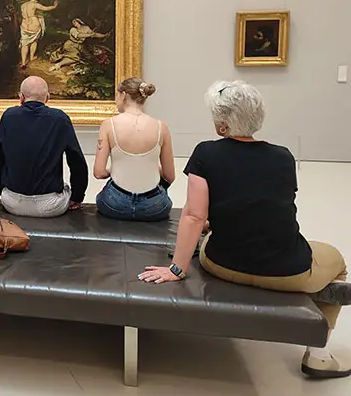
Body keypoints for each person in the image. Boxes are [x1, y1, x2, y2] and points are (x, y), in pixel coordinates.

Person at [139, 80, 351, 379]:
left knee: (210, 231)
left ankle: (318, 346)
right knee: (336, 261)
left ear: (221, 125)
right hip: (287, 272)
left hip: (221, 264)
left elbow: (194, 215)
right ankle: (319, 355)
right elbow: (271, 205)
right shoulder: (283, 156)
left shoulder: (205, 153)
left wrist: (176, 269)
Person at [0, 76, 88, 217]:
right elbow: (77, 161)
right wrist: (77, 197)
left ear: (21, 97)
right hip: (50, 206)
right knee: (66, 187)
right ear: (47, 97)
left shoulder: (8, 116)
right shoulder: (59, 118)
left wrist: (3, 188)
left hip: (11, 202)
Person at [94, 78, 175, 222]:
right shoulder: (161, 127)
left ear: (123, 95)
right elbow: (170, 176)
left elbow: (99, 173)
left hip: (114, 204)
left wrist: (114, 168)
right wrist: (148, 166)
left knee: (103, 195)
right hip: (155, 207)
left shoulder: (108, 125)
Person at [19, 0, 59, 68]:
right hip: (34, 25)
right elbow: (46, 8)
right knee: (34, 41)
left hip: (24, 25)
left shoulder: (23, 5)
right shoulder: (35, 4)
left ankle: (23, 62)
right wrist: (55, 6)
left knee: (24, 44)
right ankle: (31, 57)